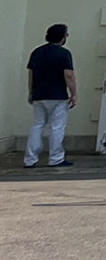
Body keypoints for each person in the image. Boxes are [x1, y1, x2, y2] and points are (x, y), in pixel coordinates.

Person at [24, 24, 77, 170]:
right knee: (57, 127)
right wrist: (73, 94)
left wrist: (31, 92)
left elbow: (31, 74)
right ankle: (55, 158)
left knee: (37, 125)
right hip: (58, 96)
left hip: (39, 94)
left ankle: (30, 159)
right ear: (62, 37)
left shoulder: (37, 52)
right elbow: (68, 75)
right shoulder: (64, 54)